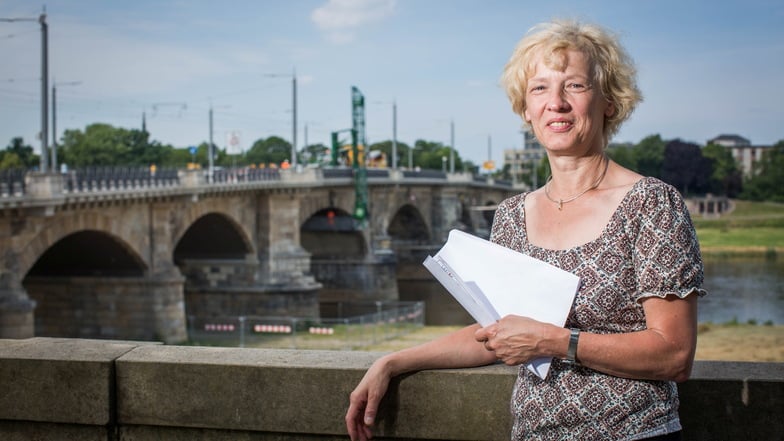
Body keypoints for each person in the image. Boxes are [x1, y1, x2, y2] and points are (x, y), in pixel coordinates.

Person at [345, 19, 707, 441]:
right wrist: (393, 362)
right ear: (525, 111)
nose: (556, 102)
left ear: (609, 101)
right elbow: (496, 334)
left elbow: (674, 355)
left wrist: (555, 341)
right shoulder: (512, 215)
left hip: (634, 435)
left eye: (574, 85)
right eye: (539, 89)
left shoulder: (650, 203)